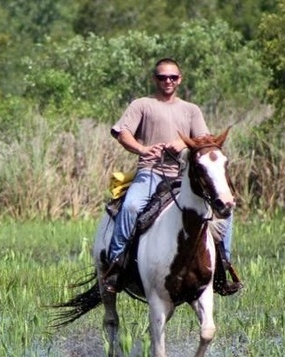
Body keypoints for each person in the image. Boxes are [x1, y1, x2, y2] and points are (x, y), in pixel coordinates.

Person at [103, 58, 241, 295]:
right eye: (162, 77)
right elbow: (122, 133)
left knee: (224, 212)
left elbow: (204, 140)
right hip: (150, 173)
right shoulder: (142, 105)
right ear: (154, 79)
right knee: (132, 207)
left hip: (182, 177)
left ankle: (222, 267)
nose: (168, 81)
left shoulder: (191, 110)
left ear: (180, 79)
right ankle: (116, 264)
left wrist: (181, 143)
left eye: (173, 77)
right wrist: (143, 149)